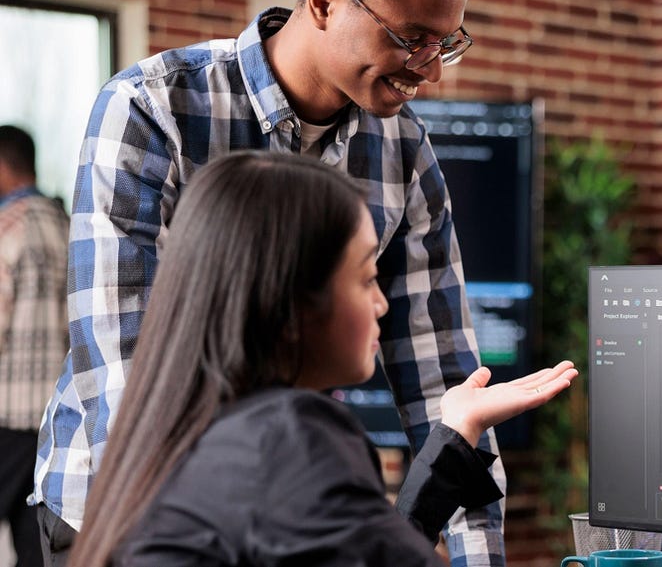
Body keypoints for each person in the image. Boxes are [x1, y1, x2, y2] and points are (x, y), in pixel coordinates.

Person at [31, 0, 506, 563]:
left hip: (287, 514)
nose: (431, 71)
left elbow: (442, 382)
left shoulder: (406, 153)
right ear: (323, 0)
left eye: (446, 43)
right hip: (123, 511)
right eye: (410, 39)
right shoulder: (153, 107)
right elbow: (123, 369)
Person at [64, 152, 577, 567]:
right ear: (288, 303)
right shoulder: (289, 435)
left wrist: (455, 431)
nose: (382, 304)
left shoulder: (186, 433)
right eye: (366, 278)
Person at [0, 125, 69, 567]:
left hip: (5, 411)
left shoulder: (7, 229)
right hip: (52, 416)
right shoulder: (67, 224)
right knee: (32, 541)